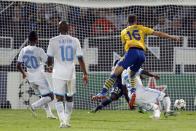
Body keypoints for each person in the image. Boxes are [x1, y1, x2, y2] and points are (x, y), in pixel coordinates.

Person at [96, 14, 180, 105]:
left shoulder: (123, 31)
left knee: (115, 74)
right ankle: (133, 92)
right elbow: (158, 33)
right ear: (136, 21)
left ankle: (103, 92)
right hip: (142, 55)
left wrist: (127, 57)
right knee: (132, 73)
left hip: (132, 52)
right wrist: (172, 37)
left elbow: (125, 46)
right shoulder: (141, 28)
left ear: (127, 22)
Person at [47, 21, 88, 128]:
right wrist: (85, 73)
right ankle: (67, 121)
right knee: (69, 97)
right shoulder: (75, 40)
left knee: (59, 98)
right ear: (69, 28)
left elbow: (49, 58)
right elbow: (80, 58)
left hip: (58, 73)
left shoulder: (53, 41)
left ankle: (63, 122)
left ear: (58, 28)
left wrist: (49, 66)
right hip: (71, 73)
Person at [16, 31, 56, 119]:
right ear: (37, 39)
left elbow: (18, 65)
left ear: (28, 40)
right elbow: (48, 62)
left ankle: (49, 114)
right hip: (39, 76)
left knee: (43, 96)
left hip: (30, 77)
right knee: (50, 96)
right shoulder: (39, 50)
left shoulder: (23, 50)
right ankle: (33, 106)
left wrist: (23, 73)